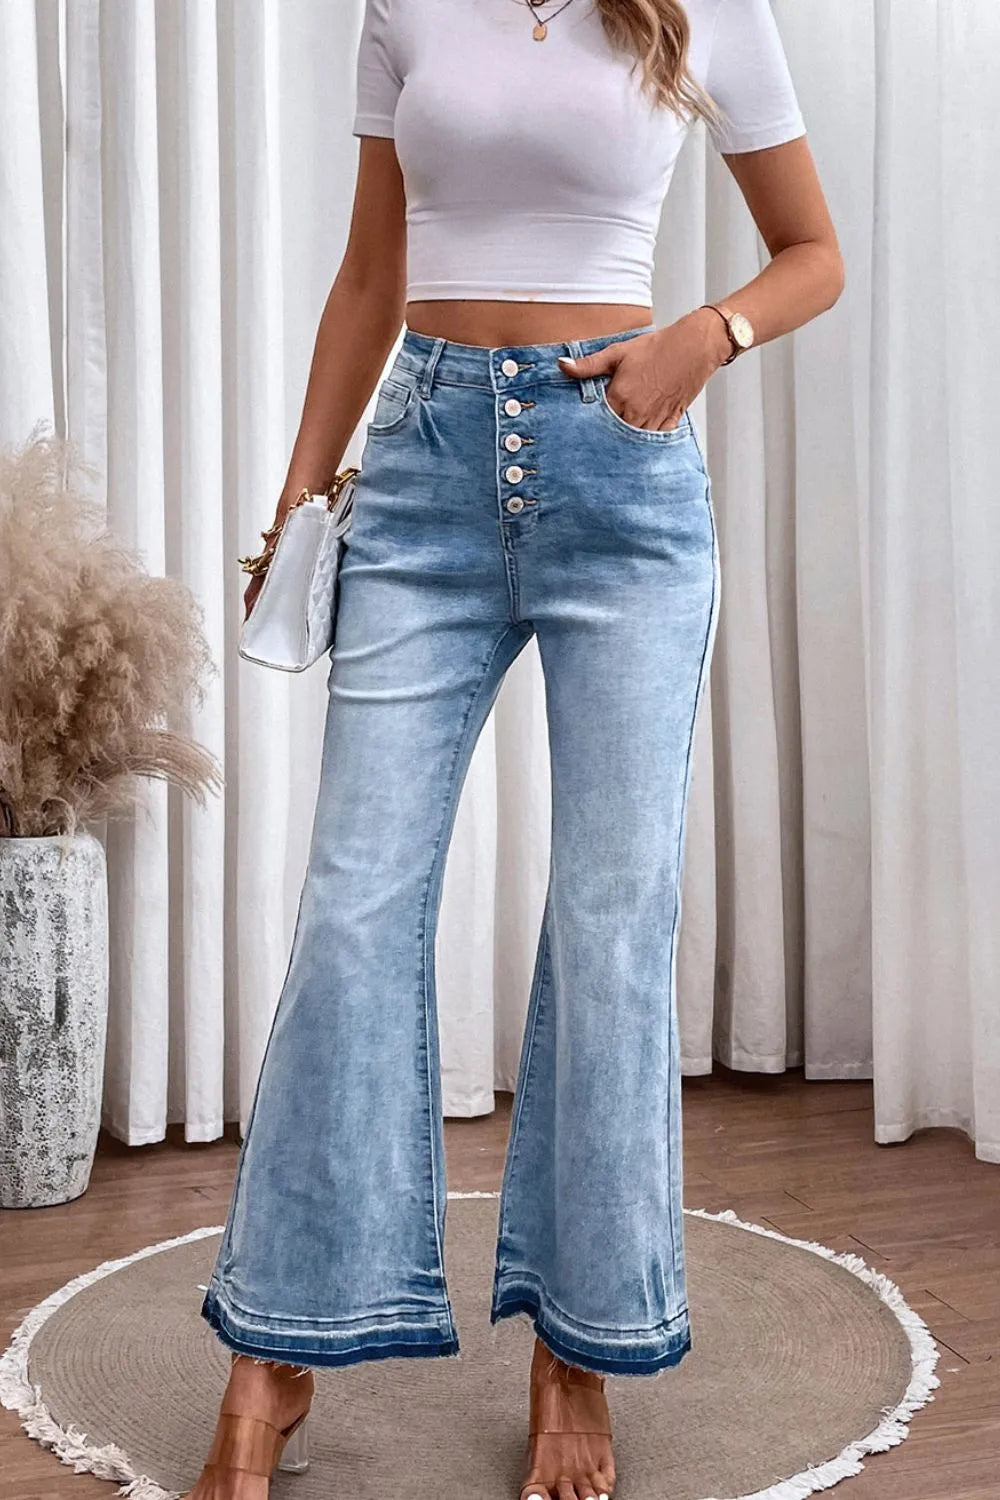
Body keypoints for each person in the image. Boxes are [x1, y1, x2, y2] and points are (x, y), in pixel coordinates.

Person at [188, 1, 843, 1495]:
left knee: (611, 924)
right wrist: (301, 501)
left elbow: (818, 252)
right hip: (421, 471)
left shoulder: (703, 10)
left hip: (626, 471)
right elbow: (372, 269)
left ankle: (578, 1348)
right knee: (354, 908)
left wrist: (705, 334)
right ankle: (273, 1351)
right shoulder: (405, 3)